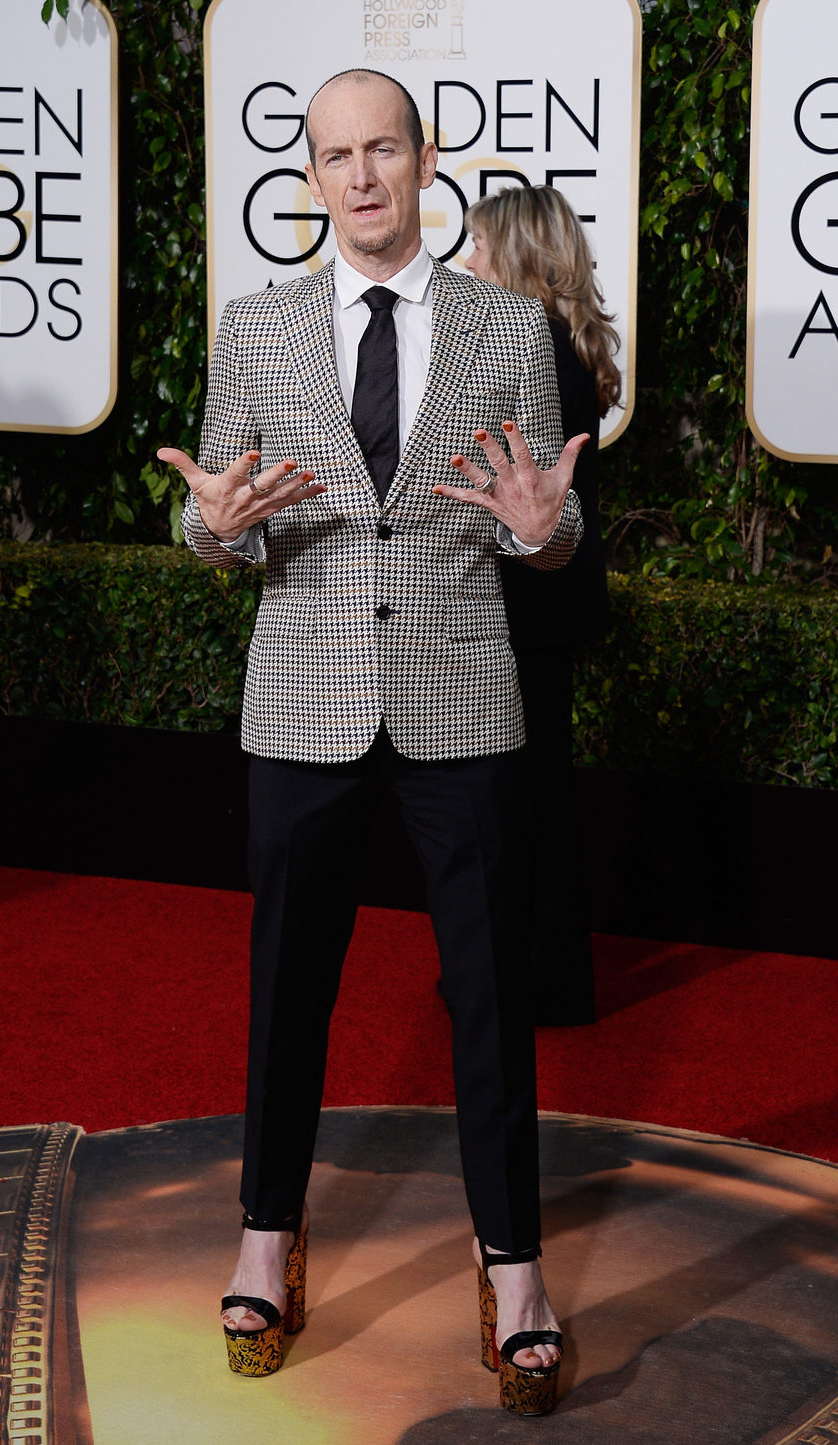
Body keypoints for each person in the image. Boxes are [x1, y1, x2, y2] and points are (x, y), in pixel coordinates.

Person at [158, 69, 586, 1414]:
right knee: (289, 985)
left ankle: (513, 1265)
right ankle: (266, 1241)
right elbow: (215, 514)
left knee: (491, 992)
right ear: (310, 175)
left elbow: (551, 520)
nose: (360, 177)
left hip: (463, 694)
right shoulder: (257, 327)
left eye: (382, 150)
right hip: (306, 696)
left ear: (425, 157)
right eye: (335, 155)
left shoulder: (508, 328)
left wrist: (543, 530)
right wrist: (214, 524)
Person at [464, 185, 622, 1027]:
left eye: (480, 250)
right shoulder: (562, 347)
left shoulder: (542, 358)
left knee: (523, 802)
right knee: (533, 797)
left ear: (519, 257)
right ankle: (542, 979)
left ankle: (537, 983)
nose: (466, 264)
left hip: (532, 608)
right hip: (546, 606)